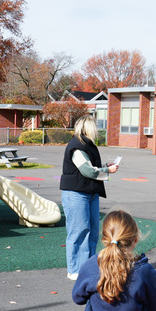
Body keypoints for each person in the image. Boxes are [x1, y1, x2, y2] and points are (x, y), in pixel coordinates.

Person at [60, 115, 119, 280]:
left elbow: (91, 168)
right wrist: (107, 171)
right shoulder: (77, 146)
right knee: (79, 231)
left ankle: (88, 267)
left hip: (90, 192)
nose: (97, 130)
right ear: (87, 128)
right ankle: (75, 270)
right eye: (94, 127)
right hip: (76, 193)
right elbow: (87, 170)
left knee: (92, 231)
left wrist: (104, 167)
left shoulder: (87, 145)